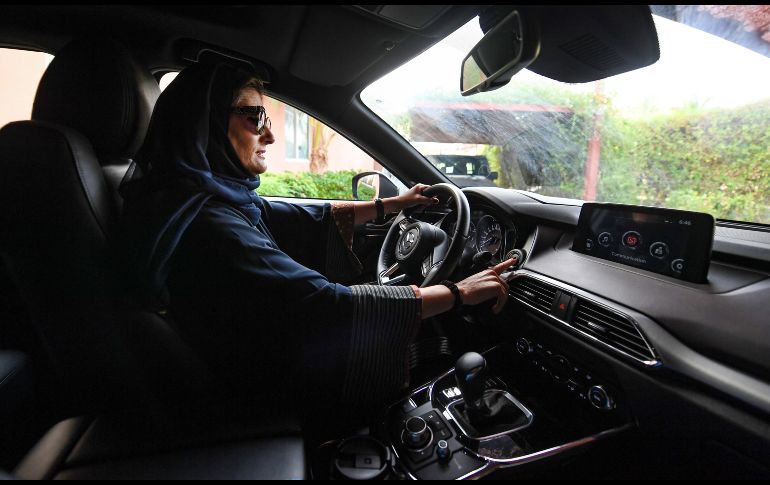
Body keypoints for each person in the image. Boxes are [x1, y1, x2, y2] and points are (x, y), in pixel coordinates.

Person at [118, 59, 515, 414]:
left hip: (243, 353)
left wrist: (391, 205)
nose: (269, 136)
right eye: (255, 117)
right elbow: (325, 305)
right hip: (255, 385)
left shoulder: (198, 197)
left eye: (267, 120)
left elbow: (288, 216)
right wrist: (458, 293)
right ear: (205, 123)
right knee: (429, 348)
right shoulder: (209, 225)